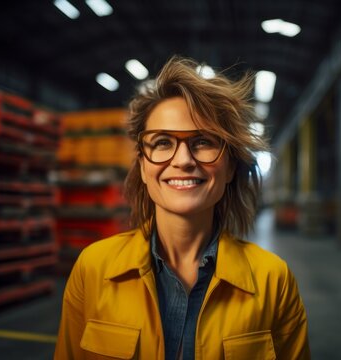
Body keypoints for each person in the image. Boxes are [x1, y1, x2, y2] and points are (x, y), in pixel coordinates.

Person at [54, 56, 310, 359]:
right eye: (162, 142)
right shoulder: (93, 268)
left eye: (203, 142)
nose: (183, 160)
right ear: (143, 166)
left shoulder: (273, 280)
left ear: (229, 168)